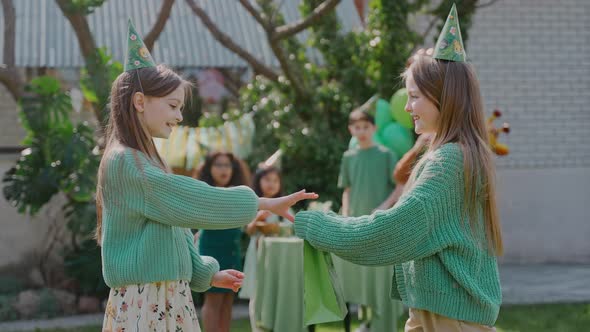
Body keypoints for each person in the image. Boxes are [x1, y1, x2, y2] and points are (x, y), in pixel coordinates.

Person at [98, 20, 317, 332]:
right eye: (172, 105)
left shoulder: (146, 160)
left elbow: (175, 225)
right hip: (146, 301)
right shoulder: (126, 163)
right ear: (140, 102)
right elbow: (191, 199)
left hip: (165, 295)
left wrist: (204, 273)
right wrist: (262, 202)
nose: (179, 115)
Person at [294, 5, 502, 331]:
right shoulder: (453, 154)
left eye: (415, 97)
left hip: (449, 318)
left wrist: (316, 225)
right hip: (436, 310)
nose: (406, 107)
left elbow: (392, 232)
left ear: (443, 98)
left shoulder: (448, 162)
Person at [336, 108, 401, 332]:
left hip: (380, 225)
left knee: (379, 276)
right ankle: (365, 322)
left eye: (365, 126)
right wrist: (345, 214)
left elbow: (400, 187)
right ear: (350, 130)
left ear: (374, 128)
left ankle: (381, 321)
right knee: (357, 275)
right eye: (357, 127)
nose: (361, 131)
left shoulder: (386, 154)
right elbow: (347, 188)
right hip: (355, 225)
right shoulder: (348, 157)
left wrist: (383, 207)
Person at [194, 151, 251, 332]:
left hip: (232, 249)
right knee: (213, 299)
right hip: (211, 248)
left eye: (227, 165)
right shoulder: (204, 191)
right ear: (208, 168)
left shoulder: (238, 191)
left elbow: (245, 224)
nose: (223, 169)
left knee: (228, 300)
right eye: (218, 165)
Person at [241, 166, 293, 332]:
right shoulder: (253, 204)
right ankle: (257, 327)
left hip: (278, 256)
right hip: (257, 255)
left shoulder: (284, 205)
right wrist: (257, 220)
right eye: (267, 180)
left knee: (276, 289)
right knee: (257, 292)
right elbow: (248, 231)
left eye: (275, 181)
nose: (271, 184)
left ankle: (275, 325)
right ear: (259, 181)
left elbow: (291, 227)